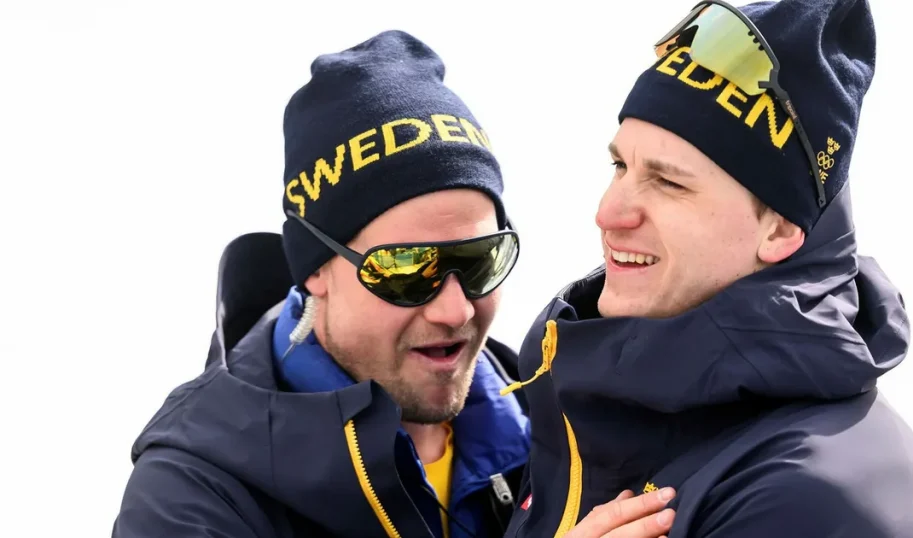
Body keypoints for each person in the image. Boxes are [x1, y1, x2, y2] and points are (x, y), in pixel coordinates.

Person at [111, 30, 678, 538]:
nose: (455, 310)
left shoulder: (563, 433)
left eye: (479, 260)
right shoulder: (192, 494)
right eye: (406, 268)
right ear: (314, 269)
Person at [501, 0, 913, 536]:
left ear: (781, 229)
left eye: (668, 182)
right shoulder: (591, 398)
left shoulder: (804, 497)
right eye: (620, 165)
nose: (608, 213)